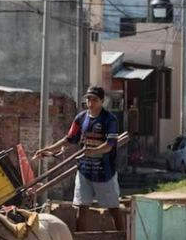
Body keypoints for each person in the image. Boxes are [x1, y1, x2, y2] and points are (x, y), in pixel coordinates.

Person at [33, 86, 124, 232]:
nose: (90, 102)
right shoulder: (81, 118)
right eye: (88, 99)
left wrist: (93, 151)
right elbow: (68, 140)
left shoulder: (109, 119)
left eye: (94, 99)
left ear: (102, 101)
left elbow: (110, 145)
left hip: (104, 172)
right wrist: (48, 150)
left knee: (113, 207)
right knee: (82, 207)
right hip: (84, 170)